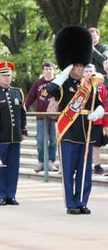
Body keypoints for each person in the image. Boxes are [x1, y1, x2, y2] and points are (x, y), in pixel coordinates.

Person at [47, 26, 105, 215]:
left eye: (82, 65)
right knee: (69, 171)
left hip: (85, 133)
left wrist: (99, 110)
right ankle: (71, 203)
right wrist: (62, 74)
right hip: (68, 133)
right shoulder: (63, 85)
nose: (81, 69)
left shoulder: (89, 86)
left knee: (84, 171)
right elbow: (48, 91)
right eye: (77, 65)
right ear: (71, 64)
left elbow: (99, 103)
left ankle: (82, 201)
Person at [0, 61, 27, 206]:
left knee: (14, 167)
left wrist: (24, 130)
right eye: (4, 75)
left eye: (9, 75)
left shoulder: (17, 92)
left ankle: (11, 195)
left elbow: (22, 113)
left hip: (14, 137)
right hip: (1, 138)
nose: (8, 78)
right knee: (1, 168)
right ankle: (1, 195)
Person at [25, 61, 58, 172]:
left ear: (54, 70)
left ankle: (50, 162)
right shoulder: (38, 83)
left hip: (55, 117)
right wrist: (23, 108)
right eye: (46, 69)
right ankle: (41, 162)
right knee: (40, 140)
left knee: (54, 140)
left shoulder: (59, 82)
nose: (48, 71)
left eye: (50, 69)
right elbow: (30, 97)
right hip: (41, 116)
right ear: (43, 71)